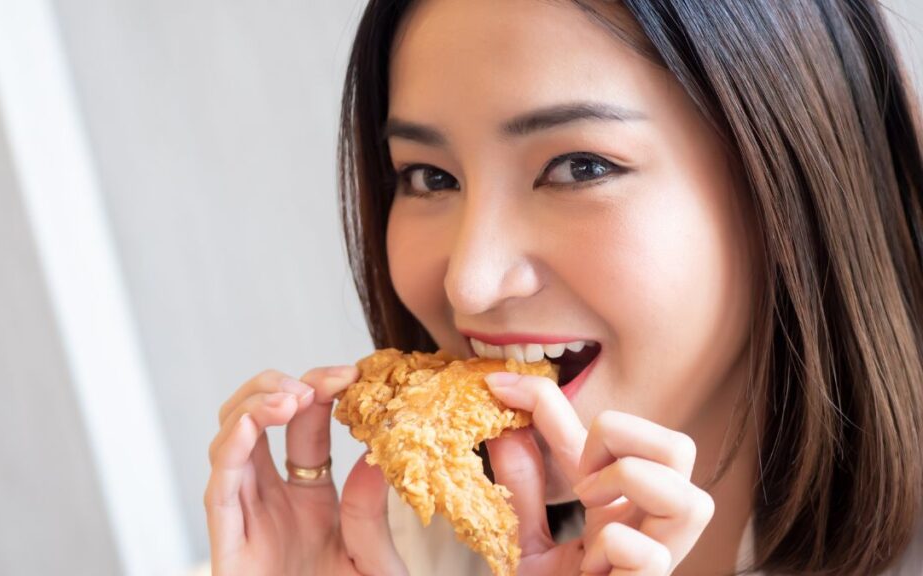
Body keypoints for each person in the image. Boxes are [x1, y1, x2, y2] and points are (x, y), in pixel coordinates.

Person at [203, 0, 923, 574]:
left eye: (580, 167)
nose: (470, 282)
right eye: (429, 177)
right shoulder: (368, 549)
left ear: (793, 179)